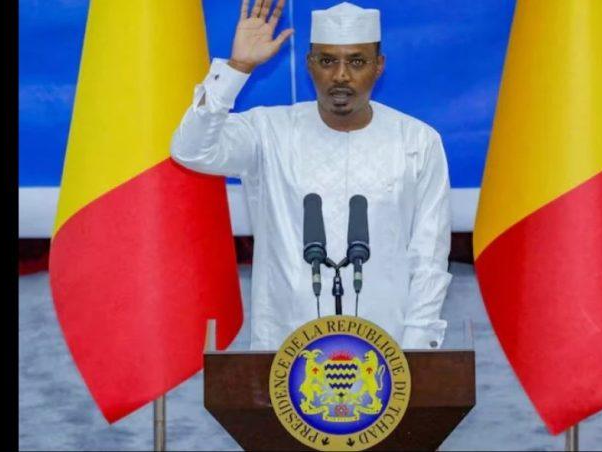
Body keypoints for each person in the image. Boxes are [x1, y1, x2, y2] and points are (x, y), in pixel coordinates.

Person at [170, 0, 452, 351]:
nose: (341, 76)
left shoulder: (418, 141)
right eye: (328, 60)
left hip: (386, 356)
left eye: (357, 61)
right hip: (283, 356)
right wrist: (236, 68)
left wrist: (413, 354)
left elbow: (428, 258)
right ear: (310, 65)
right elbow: (191, 149)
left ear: (379, 67)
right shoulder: (268, 131)